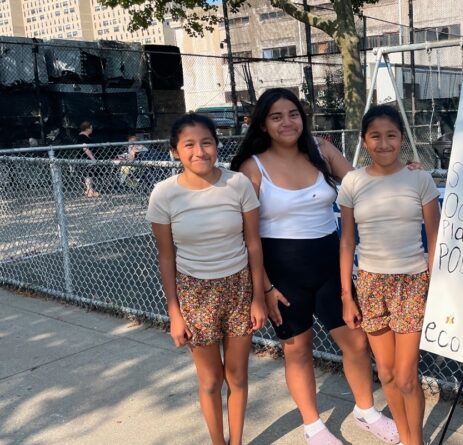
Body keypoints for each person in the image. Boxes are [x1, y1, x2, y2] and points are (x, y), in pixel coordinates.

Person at [230, 88, 400, 445]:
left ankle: (366, 411)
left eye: (292, 113)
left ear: (302, 117)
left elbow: (363, 184)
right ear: (263, 123)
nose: (286, 122)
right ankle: (313, 426)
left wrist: (401, 170)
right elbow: (247, 237)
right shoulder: (252, 168)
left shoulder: (322, 151)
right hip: (282, 278)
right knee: (298, 350)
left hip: (329, 268)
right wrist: (263, 289)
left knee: (356, 343)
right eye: (276, 116)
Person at [147, 113, 267, 445]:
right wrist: (174, 313)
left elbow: (254, 243)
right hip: (194, 293)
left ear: (217, 145)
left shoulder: (237, 184)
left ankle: (237, 441)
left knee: (238, 376)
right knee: (211, 380)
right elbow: (166, 256)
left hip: (239, 288)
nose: (199, 151)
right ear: (175, 151)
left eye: (206, 142)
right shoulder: (164, 194)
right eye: (189, 145)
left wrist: (258, 297)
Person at [338, 105, 440, 445]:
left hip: (411, 282)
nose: (384, 144)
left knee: (407, 376)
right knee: (386, 374)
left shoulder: (419, 178)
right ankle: (405, 434)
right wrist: (346, 296)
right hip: (369, 284)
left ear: (401, 140)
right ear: (365, 141)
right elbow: (347, 240)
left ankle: (415, 440)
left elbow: (435, 235)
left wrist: (435, 283)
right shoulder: (353, 181)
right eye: (376, 136)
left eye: (391, 136)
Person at [76, 121, 100, 197]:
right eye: (91, 128)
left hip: (86, 159)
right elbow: (85, 148)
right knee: (88, 175)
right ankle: (89, 191)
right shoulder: (82, 137)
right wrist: (92, 158)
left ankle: (89, 190)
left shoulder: (84, 136)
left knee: (89, 175)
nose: (91, 129)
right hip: (85, 158)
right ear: (87, 128)